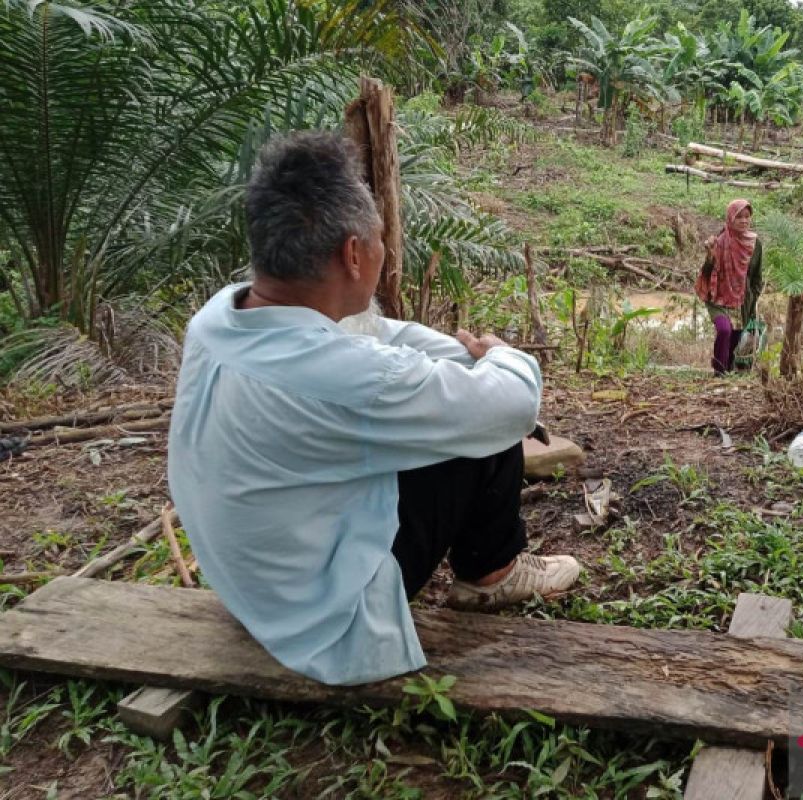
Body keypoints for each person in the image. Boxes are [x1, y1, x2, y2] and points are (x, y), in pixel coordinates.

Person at [167, 131, 580, 686]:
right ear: (354, 253)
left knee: (452, 397)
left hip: (256, 583)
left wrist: (459, 352)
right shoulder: (342, 379)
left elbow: (377, 334)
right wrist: (503, 356)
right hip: (324, 620)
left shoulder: (220, 318)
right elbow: (511, 403)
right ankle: (492, 574)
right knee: (484, 432)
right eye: (380, 240)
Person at [694, 198, 764, 375]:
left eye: (747, 217)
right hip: (718, 297)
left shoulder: (755, 244)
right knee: (725, 330)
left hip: (742, 298)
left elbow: (756, 275)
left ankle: (731, 370)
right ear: (730, 218)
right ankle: (719, 372)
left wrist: (754, 297)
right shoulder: (719, 242)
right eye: (739, 217)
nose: (744, 221)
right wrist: (710, 255)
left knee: (737, 336)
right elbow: (708, 270)